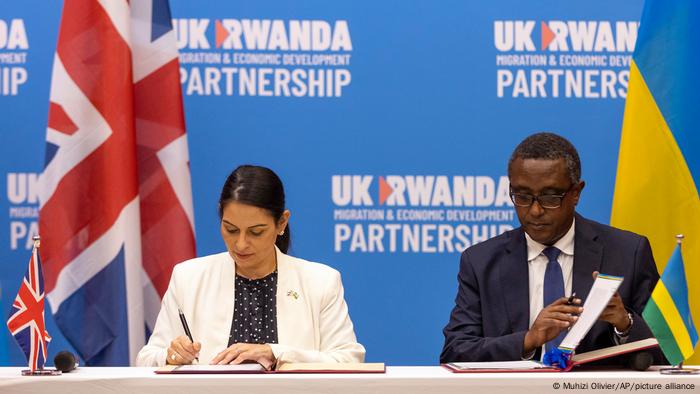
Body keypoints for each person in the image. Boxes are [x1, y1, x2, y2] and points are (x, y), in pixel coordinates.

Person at [441, 132, 661, 363]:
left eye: (550, 197)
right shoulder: (481, 262)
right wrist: (528, 340)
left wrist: (624, 323)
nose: (535, 211)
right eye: (523, 196)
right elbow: (455, 351)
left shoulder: (628, 253)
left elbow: (667, 354)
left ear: (576, 193)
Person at [136, 165, 365, 368]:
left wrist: (276, 353)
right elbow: (147, 358)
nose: (241, 244)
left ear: (281, 223)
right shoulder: (188, 278)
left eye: (256, 232)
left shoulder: (320, 282)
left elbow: (349, 359)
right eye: (231, 229)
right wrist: (172, 356)